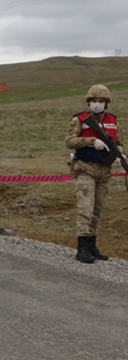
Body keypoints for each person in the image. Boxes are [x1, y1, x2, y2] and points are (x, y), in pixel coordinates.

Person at [65, 84, 123, 263]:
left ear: (107, 103)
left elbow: (119, 142)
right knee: (85, 209)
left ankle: (92, 245)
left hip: (104, 171)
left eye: (101, 101)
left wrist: (119, 154)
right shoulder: (80, 119)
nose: (97, 104)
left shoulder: (113, 121)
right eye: (94, 101)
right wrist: (92, 141)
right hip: (85, 168)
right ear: (89, 102)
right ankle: (82, 248)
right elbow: (69, 141)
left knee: (97, 209)